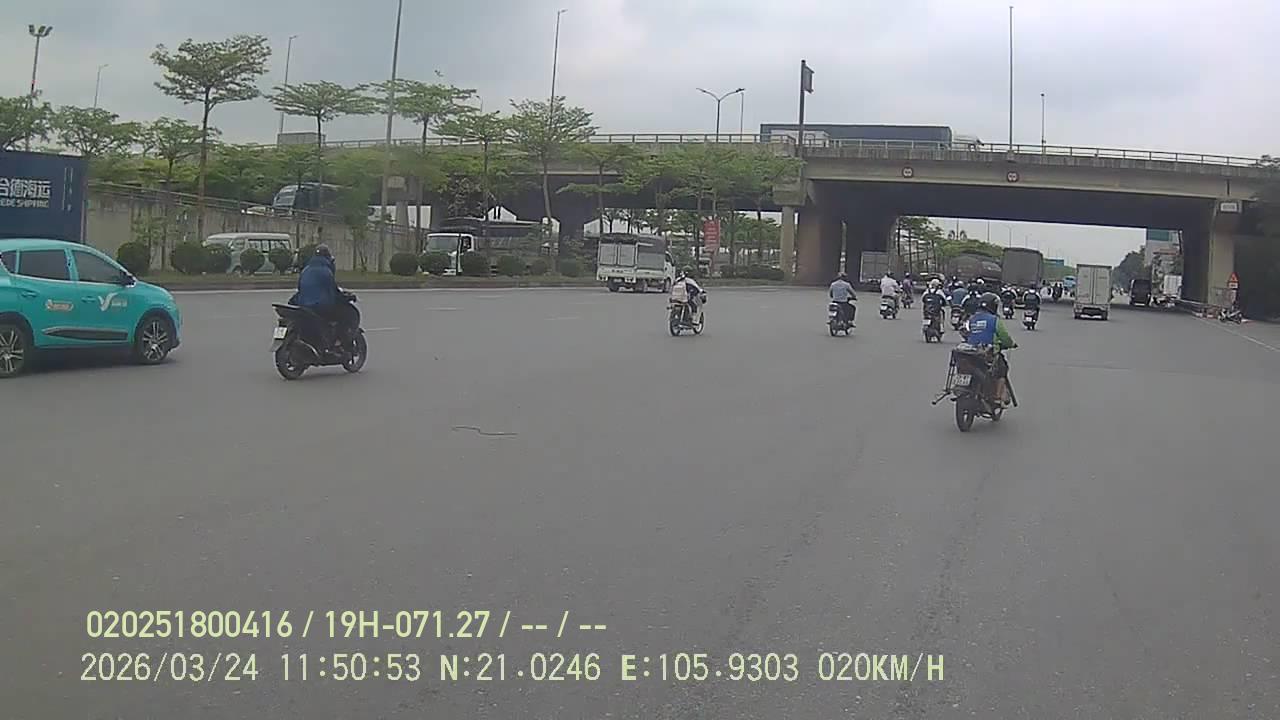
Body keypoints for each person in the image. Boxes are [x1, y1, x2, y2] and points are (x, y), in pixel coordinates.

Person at [293, 244, 354, 349]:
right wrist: (346, 297)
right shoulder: (326, 271)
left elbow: (299, 288)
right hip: (320, 307)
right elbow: (333, 292)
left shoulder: (306, 270)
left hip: (303, 305)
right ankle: (338, 341)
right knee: (345, 315)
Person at [964, 292, 1017, 406]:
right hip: (988, 354)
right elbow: (1004, 336)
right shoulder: (994, 320)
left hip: (971, 353)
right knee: (1002, 370)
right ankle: (997, 396)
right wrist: (1011, 344)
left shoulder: (972, 319)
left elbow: (966, 333)